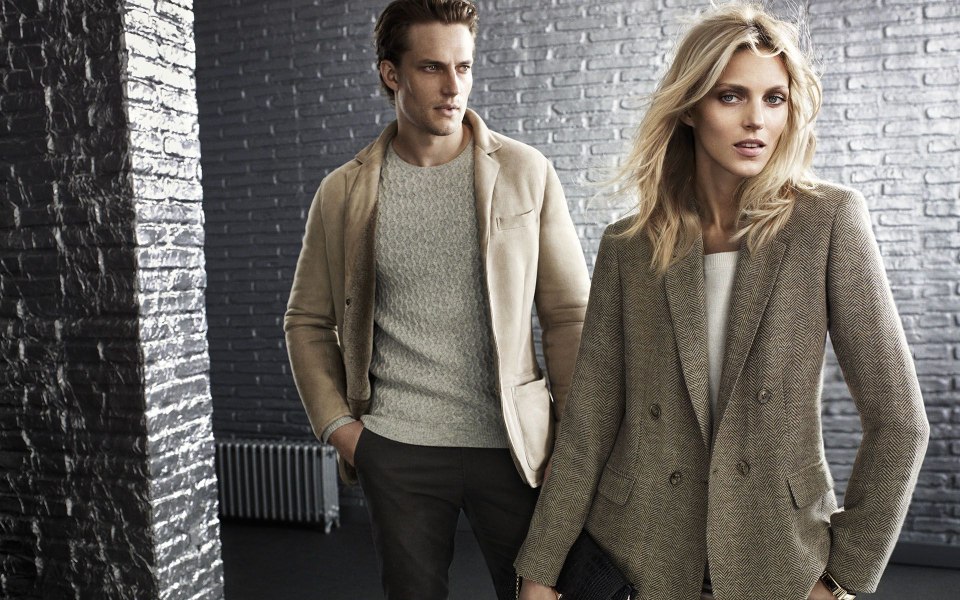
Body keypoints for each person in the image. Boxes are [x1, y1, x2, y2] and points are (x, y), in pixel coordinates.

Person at [515, 3, 929, 600]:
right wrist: (539, 571)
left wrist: (841, 577)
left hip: (779, 554)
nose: (756, 120)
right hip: (639, 554)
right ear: (690, 107)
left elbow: (900, 422)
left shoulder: (828, 221)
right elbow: (588, 426)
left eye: (774, 98)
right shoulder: (630, 246)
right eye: (731, 96)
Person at [284, 1, 590, 598]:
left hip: (514, 445)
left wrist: (573, 441)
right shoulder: (342, 191)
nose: (454, 87)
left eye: (464, 67)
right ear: (391, 74)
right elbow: (307, 321)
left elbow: (569, 316)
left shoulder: (526, 171)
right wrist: (341, 428)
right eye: (431, 68)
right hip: (398, 448)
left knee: (543, 592)